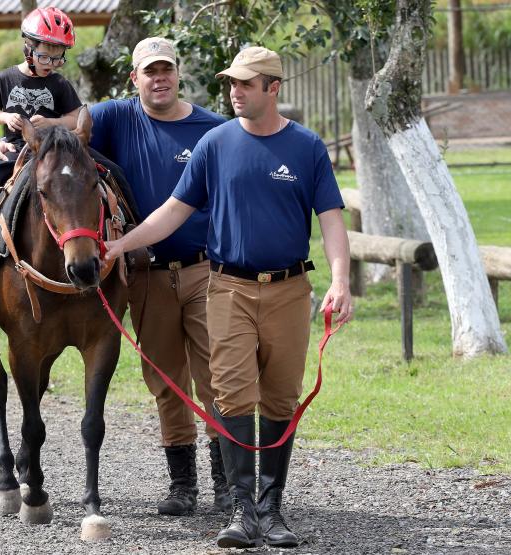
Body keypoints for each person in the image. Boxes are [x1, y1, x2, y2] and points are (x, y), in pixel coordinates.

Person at [103, 46, 353, 549]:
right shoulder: (214, 144)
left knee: (281, 397)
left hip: (289, 290)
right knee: (232, 393)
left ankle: (272, 509)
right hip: (228, 289)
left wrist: (341, 281)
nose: (234, 92)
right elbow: (172, 212)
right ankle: (241, 511)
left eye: (245, 84)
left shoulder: (306, 147)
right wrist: (119, 246)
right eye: (231, 85)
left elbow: (330, 221)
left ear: (273, 88)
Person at [89, 37, 229, 517]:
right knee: (166, 380)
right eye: (150, 71)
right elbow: (70, 133)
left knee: (217, 376)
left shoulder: (213, 129)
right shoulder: (116, 119)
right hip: (145, 276)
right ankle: (183, 486)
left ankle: (226, 483)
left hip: (205, 271)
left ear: (178, 72)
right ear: (135, 78)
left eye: (166, 69)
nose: (159, 78)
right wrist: (22, 121)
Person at [0, 6, 82, 264]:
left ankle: (126, 224)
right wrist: (5, 117)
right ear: (28, 48)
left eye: (58, 59)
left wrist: (53, 122)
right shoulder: (5, 78)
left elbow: (76, 117)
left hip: (54, 151)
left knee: (105, 171)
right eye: (45, 57)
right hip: (16, 148)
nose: (51, 65)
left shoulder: (59, 84)